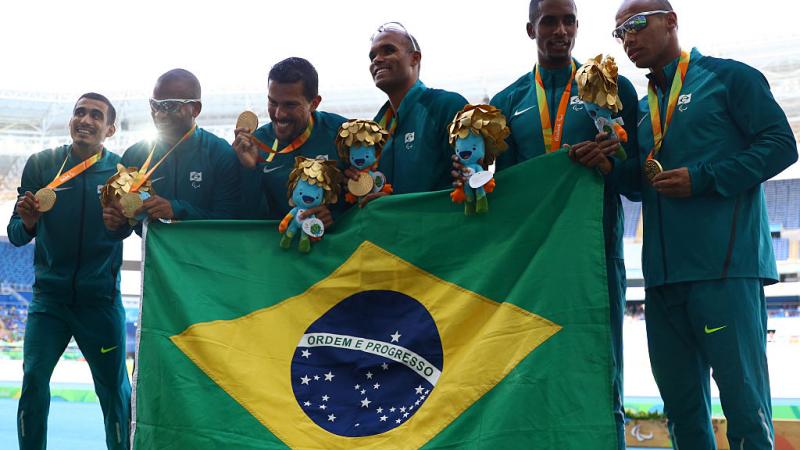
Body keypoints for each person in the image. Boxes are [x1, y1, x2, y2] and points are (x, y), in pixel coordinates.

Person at [602, 1, 797, 447]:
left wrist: (705, 178)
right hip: (662, 282)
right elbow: (638, 185)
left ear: (671, 21)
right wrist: (608, 163)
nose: (627, 38)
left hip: (723, 274)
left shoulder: (729, 77)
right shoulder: (642, 104)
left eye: (635, 24)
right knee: (683, 416)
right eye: (619, 33)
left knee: (746, 411)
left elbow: (782, 145)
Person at [487, 1, 639, 447]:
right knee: (531, 368)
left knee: (599, 364)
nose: (560, 30)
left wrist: (611, 163)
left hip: (595, 252)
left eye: (568, 21)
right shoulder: (508, 102)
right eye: (549, 21)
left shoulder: (610, 86)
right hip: (532, 262)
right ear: (530, 28)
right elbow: (506, 192)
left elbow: (636, 182)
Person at [7, 93, 131, 450]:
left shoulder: (122, 172)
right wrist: (28, 222)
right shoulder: (42, 164)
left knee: (114, 391)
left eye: (96, 115)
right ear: (71, 121)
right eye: (80, 112)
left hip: (100, 303)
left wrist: (121, 223)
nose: (86, 120)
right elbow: (16, 233)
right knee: (32, 381)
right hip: (49, 302)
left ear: (110, 129)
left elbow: (134, 229)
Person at [103, 69, 240, 234]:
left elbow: (228, 222)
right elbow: (122, 230)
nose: (159, 114)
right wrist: (116, 223)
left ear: (195, 109)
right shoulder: (135, 155)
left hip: (206, 257)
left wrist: (177, 210)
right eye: (154, 105)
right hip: (156, 259)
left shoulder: (220, 153)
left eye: (169, 105)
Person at [360, 22, 467, 202]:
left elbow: (466, 184)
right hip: (388, 228)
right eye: (372, 56)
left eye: (388, 50)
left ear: (414, 58)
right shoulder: (375, 126)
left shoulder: (446, 106)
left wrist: (397, 203)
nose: (377, 60)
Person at [233, 57, 347, 224]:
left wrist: (336, 217)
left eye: (290, 105)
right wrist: (249, 170)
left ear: (314, 103)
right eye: (273, 102)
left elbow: (363, 200)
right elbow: (249, 217)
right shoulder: (255, 144)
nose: (279, 114)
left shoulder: (342, 134)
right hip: (280, 243)